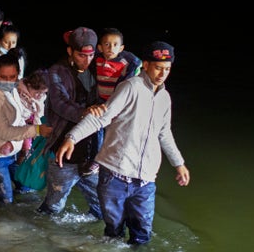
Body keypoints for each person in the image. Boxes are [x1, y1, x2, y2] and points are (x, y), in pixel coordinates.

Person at [56, 41, 191, 245]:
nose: (163, 74)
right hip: (114, 177)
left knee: (142, 235)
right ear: (145, 65)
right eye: (158, 67)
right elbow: (102, 117)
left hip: (145, 181)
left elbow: (164, 133)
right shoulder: (130, 87)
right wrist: (72, 137)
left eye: (167, 69)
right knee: (114, 233)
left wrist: (178, 163)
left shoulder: (165, 97)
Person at [36, 26, 103, 219]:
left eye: (91, 55)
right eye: (82, 55)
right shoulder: (57, 72)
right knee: (53, 207)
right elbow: (59, 104)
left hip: (92, 153)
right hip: (63, 153)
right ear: (70, 51)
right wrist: (86, 113)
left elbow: (132, 61)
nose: (87, 60)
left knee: (101, 207)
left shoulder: (97, 69)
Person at [0, 52, 52, 203]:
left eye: (13, 77)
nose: (9, 82)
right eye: (3, 77)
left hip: (11, 152)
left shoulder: (13, 88)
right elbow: (3, 131)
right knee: (5, 203)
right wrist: (37, 130)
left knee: (27, 191)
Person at [79, 27, 142, 176]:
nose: (111, 48)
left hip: (117, 104)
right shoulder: (96, 59)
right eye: (107, 44)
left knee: (115, 132)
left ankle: (115, 162)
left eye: (115, 45)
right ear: (100, 47)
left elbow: (137, 65)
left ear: (121, 48)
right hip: (101, 100)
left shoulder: (126, 62)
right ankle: (95, 160)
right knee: (97, 130)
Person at [15, 69, 48, 164]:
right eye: (37, 92)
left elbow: (39, 115)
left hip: (30, 123)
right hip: (18, 124)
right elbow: (18, 115)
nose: (40, 95)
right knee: (24, 148)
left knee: (26, 149)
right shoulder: (18, 93)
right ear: (29, 85)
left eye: (43, 93)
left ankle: (20, 169)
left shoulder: (40, 98)